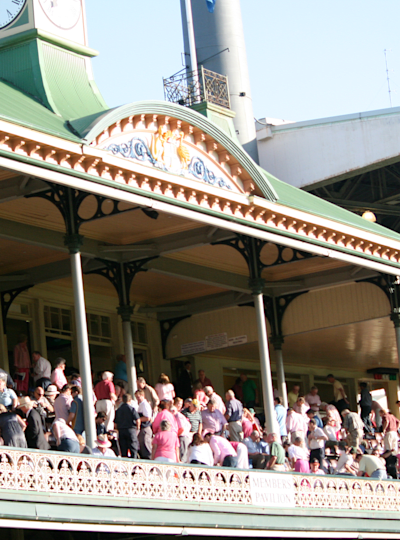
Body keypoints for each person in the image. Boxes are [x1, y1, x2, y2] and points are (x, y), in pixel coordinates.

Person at [115, 393, 140, 458]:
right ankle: (134, 463)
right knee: (133, 449)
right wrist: (138, 428)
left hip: (121, 430)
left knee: (123, 450)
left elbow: (115, 423)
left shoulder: (118, 410)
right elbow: (138, 420)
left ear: (123, 400)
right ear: (130, 400)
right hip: (131, 430)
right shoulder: (132, 409)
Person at [172, 398, 192, 462]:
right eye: (178, 404)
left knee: (182, 457)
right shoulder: (180, 414)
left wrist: (176, 435)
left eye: (181, 404)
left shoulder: (178, 415)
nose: (180, 406)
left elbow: (182, 428)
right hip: (185, 436)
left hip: (182, 437)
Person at [135, 389, 153, 459]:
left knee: (146, 445)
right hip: (142, 429)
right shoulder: (140, 405)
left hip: (145, 428)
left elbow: (148, 417)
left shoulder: (145, 405)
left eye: (138, 397)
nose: (137, 399)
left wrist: (138, 420)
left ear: (143, 395)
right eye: (136, 397)